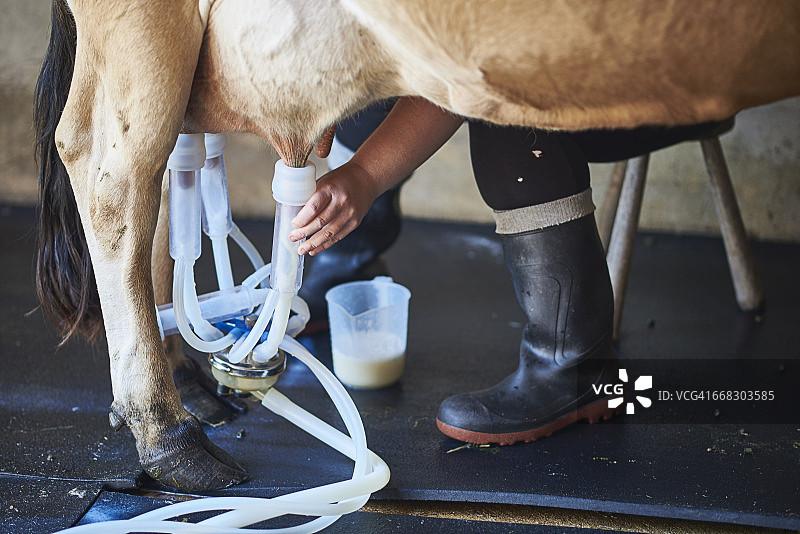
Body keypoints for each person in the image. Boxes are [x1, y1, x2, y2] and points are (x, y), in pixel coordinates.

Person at [290, 97, 619, 444]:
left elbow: (459, 86)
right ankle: (350, 261)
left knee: (499, 90)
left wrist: (364, 175)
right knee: (378, 81)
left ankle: (574, 366)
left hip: (637, 91)